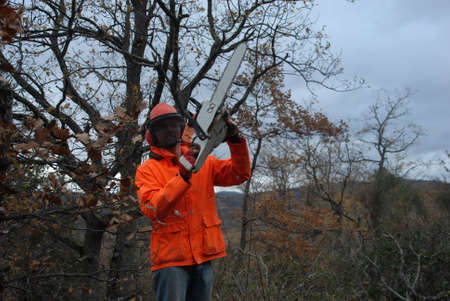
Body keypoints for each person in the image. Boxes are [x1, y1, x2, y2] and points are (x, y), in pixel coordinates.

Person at [135, 103, 251, 301]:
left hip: (203, 256)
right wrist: (182, 176)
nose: (169, 130)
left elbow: (239, 173)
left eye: (173, 124)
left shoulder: (202, 160)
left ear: (181, 128)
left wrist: (235, 140)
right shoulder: (147, 170)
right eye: (162, 127)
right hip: (170, 260)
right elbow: (153, 208)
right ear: (152, 134)